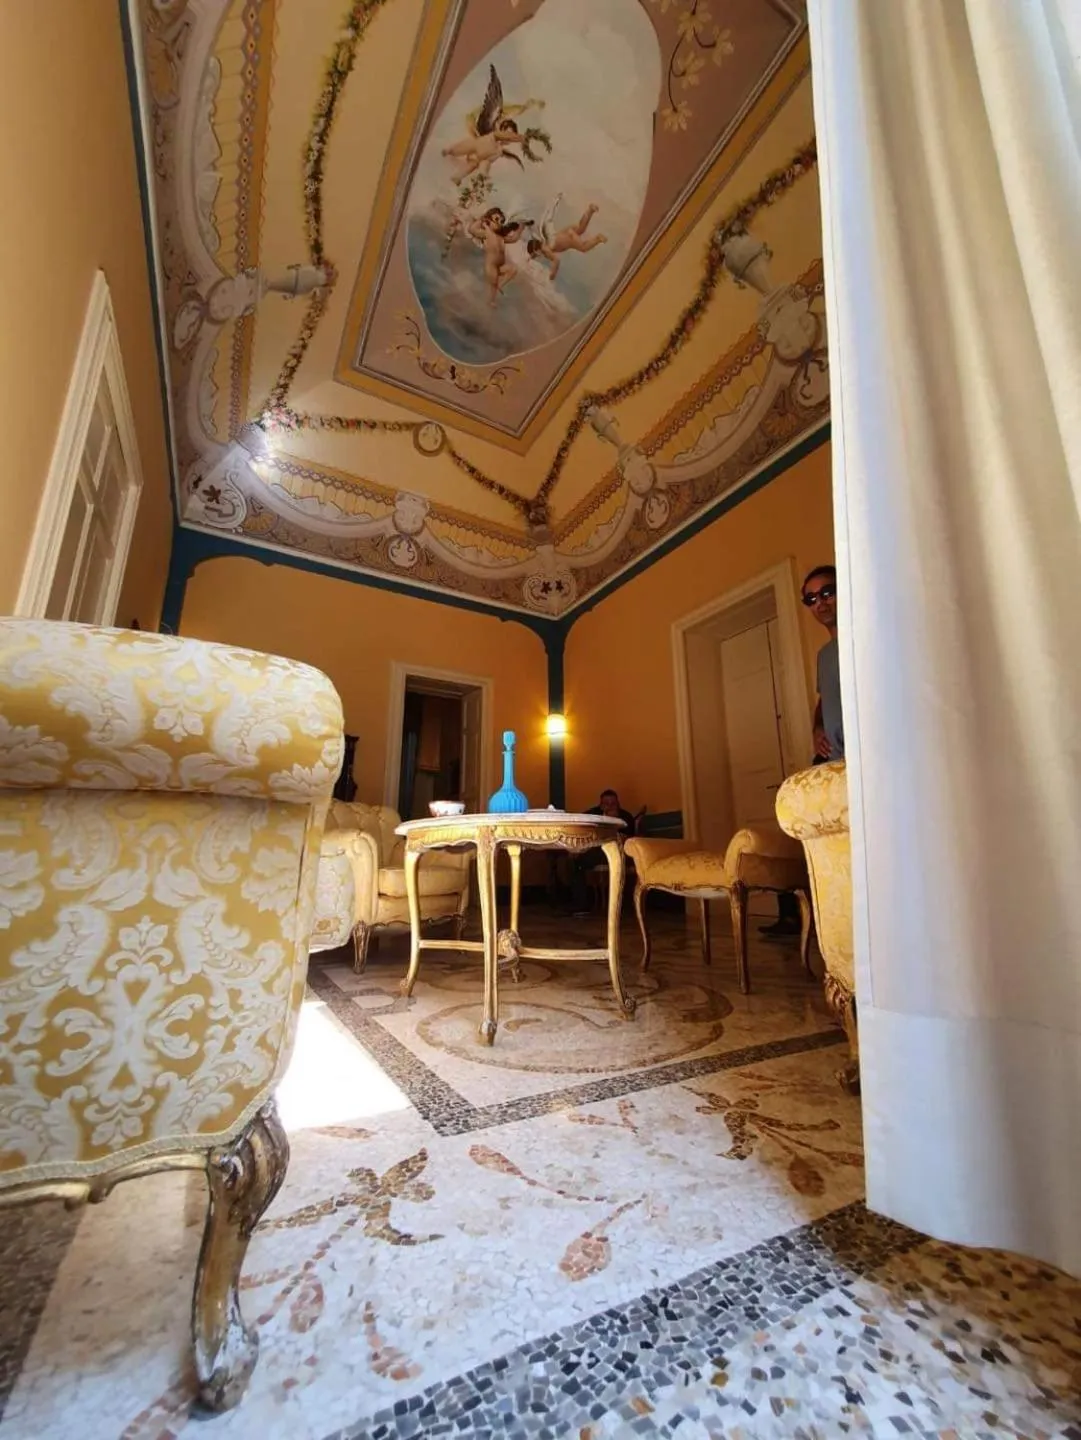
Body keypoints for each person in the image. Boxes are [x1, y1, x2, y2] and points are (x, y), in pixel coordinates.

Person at [761, 564, 844, 939]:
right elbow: (824, 699)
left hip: (865, 762)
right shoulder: (825, 655)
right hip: (831, 759)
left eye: (827, 592)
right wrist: (816, 728)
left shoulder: (866, 634)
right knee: (792, 820)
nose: (820, 603)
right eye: (811, 599)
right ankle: (798, 915)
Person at [569, 789, 642, 917]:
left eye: (612, 803)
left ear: (618, 803)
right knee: (574, 860)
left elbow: (627, 839)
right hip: (596, 850)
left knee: (579, 860)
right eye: (606, 803)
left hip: (620, 853)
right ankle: (580, 904)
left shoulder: (625, 817)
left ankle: (584, 904)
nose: (609, 806)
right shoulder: (594, 814)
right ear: (601, 804)